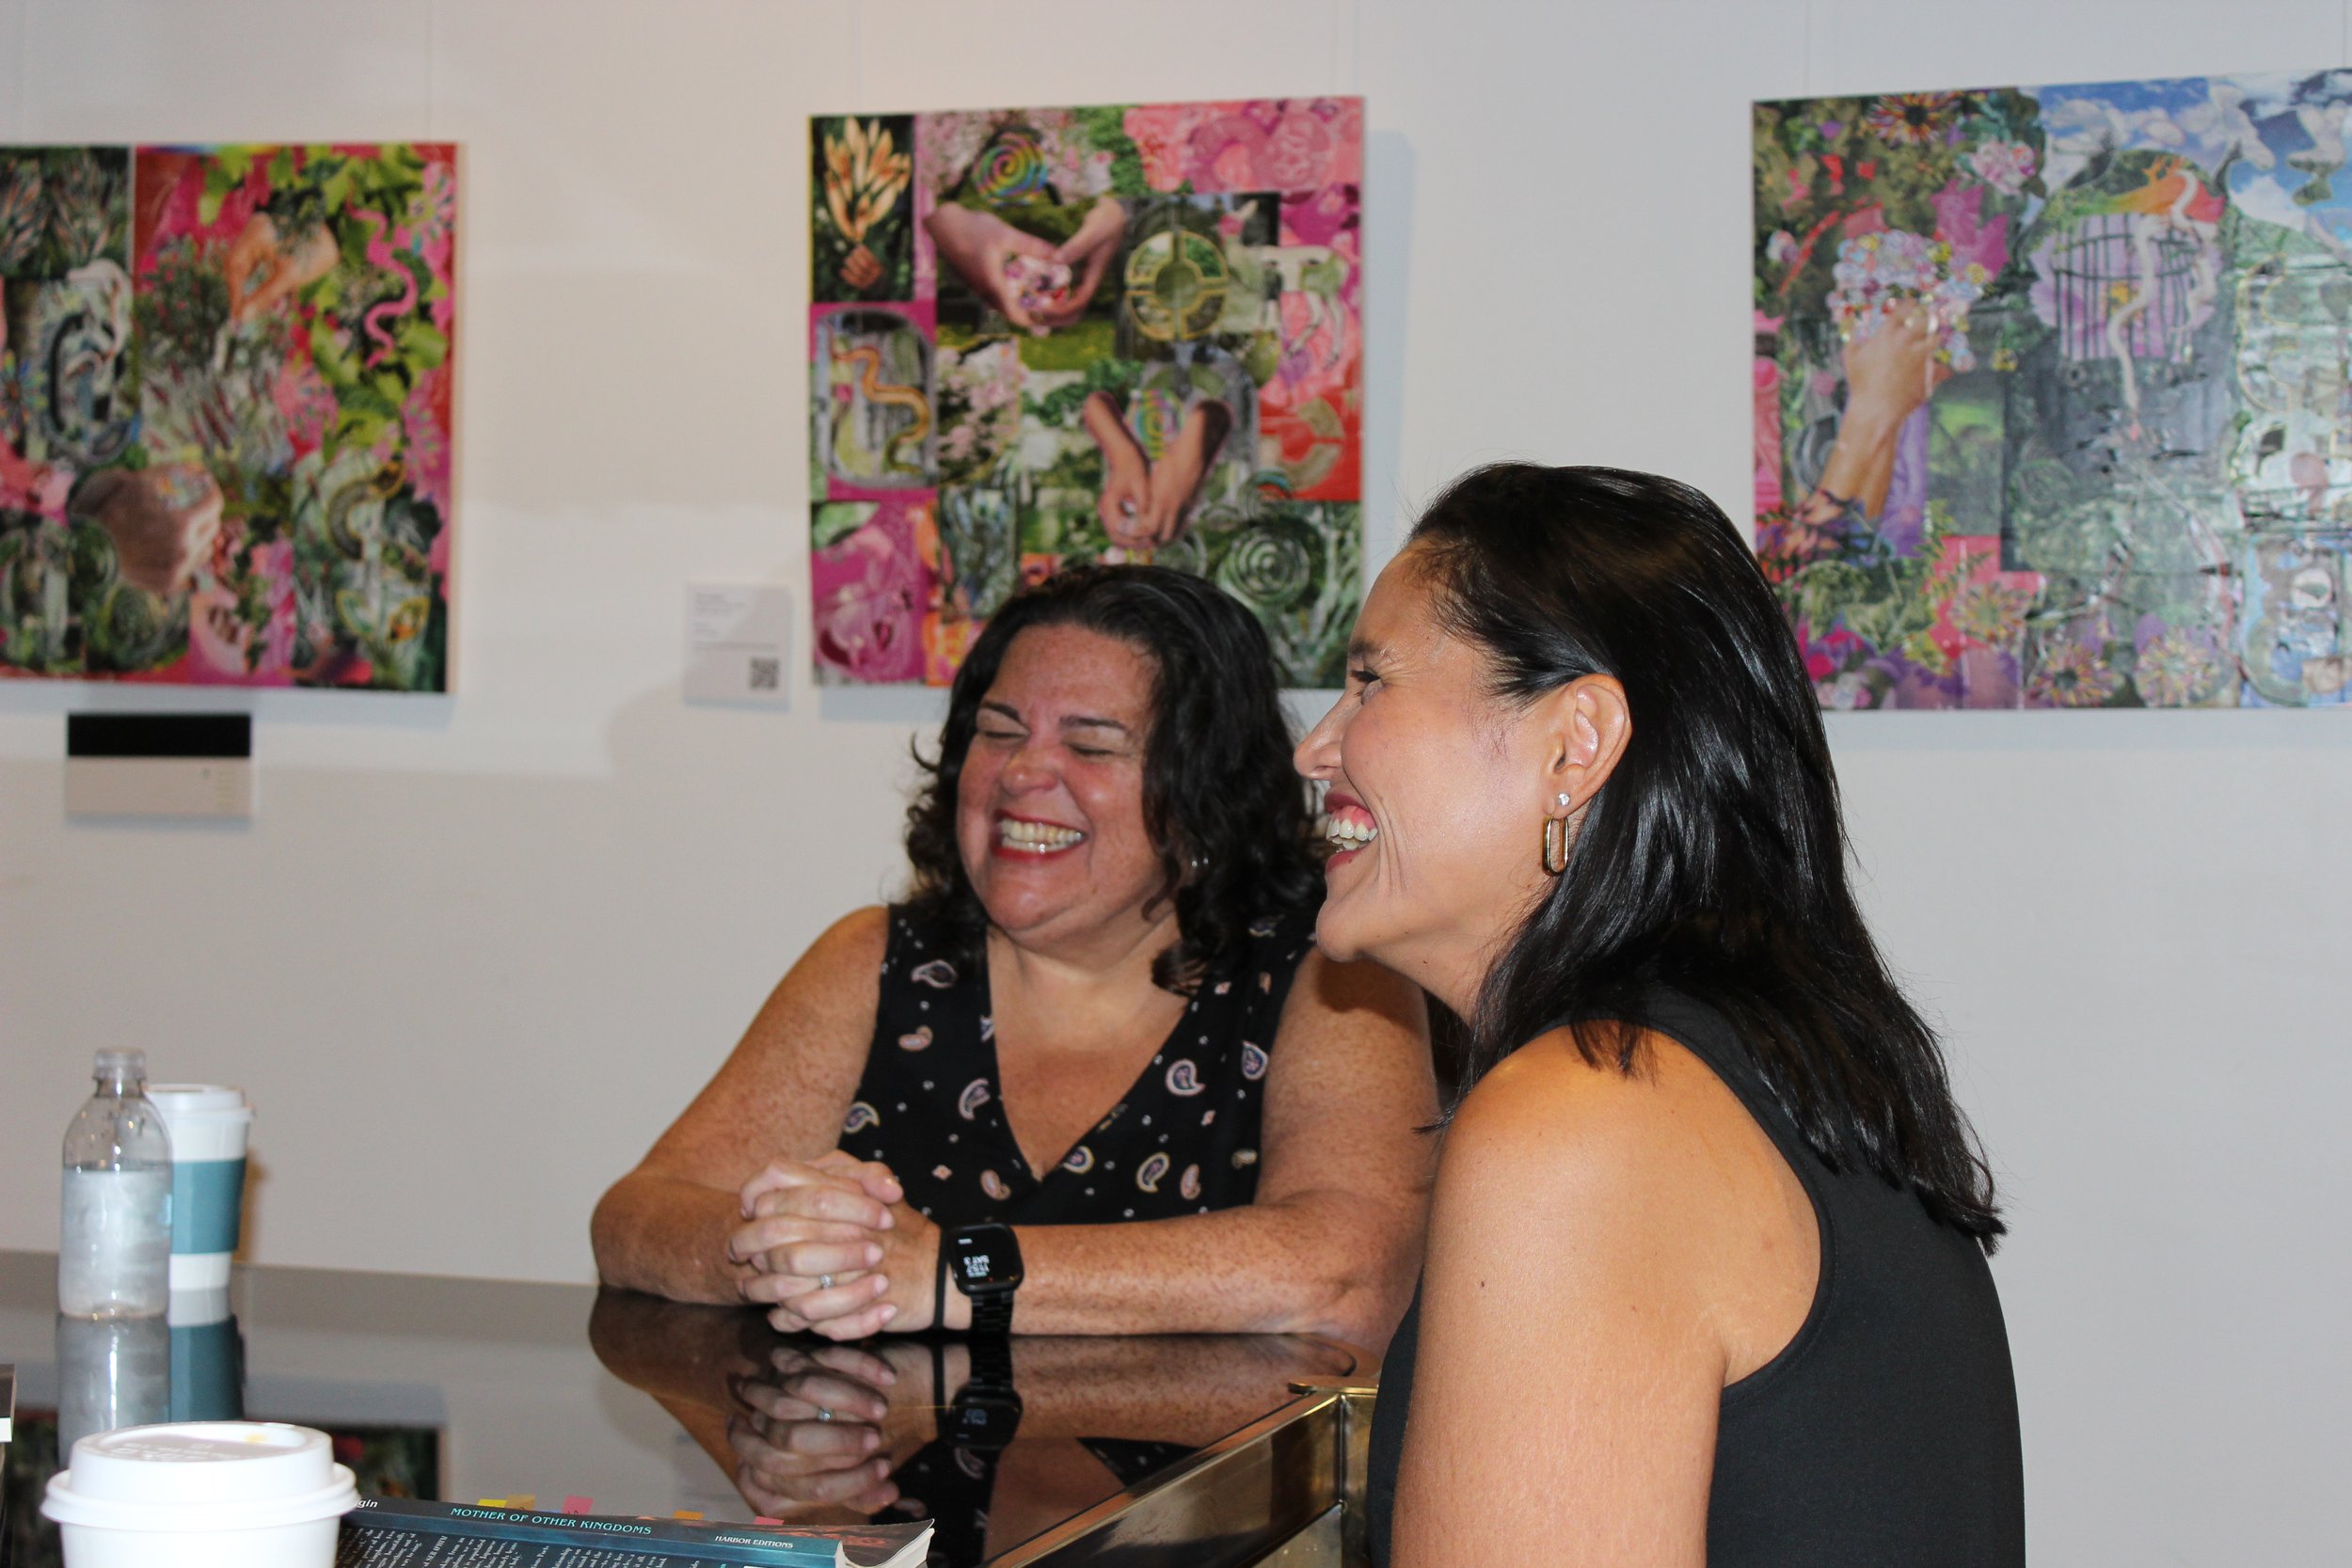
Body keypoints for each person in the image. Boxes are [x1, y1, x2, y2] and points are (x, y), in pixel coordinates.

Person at [1295, 465, 2024, 1566]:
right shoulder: (1765, 1064)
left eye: (1370, 681)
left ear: (1573, 742)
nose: (1317, 745)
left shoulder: (1589, 1120)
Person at [594, 564, 1434, 1347]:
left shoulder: (1332, 975)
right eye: (998, 732)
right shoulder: (877, 960)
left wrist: (955, 1270)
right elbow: (633, 1219)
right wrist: (777, 1247)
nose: (1024, 771)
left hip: (1194, 1505)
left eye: (1093, 744)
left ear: (1204, 794)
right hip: (896, 1501)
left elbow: (1346, 1272)